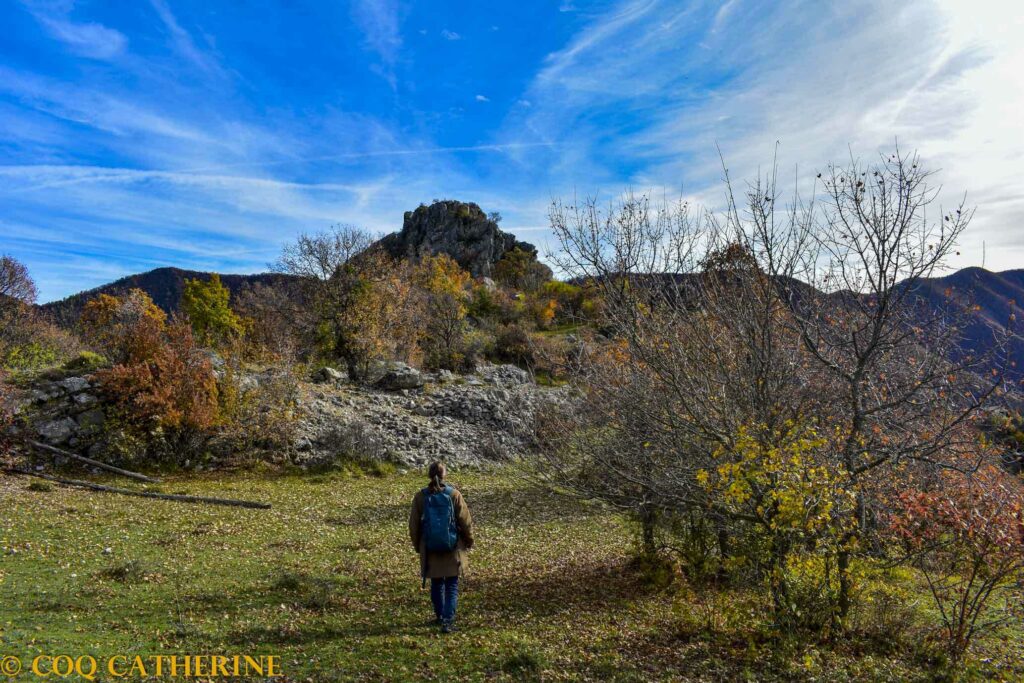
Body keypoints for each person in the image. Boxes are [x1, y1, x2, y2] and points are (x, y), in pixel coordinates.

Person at [409, 461, 473, 633]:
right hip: (452, 546)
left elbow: (413, 525)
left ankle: (439, 616)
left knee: (437, 583)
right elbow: (465, 521)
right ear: (445, 475)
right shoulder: (454, 495)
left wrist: (419, 546)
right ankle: (448, 620)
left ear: (429, 475)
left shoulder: (420, 497)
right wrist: (469, 540)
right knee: (451, 584)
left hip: (430, 546)